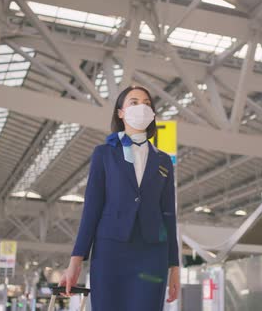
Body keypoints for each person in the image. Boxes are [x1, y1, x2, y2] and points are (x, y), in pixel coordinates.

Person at [60, 85, 180, 310]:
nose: (141, 107)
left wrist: (174, 265)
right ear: (120, 112)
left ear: (153, 114)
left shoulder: (163, 161)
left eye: (146, 103)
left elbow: (168, 215)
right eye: (134, 102)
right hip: (110, 252)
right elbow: (92, 208)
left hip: (152, 253)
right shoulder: (104, 154)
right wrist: (76, 259)